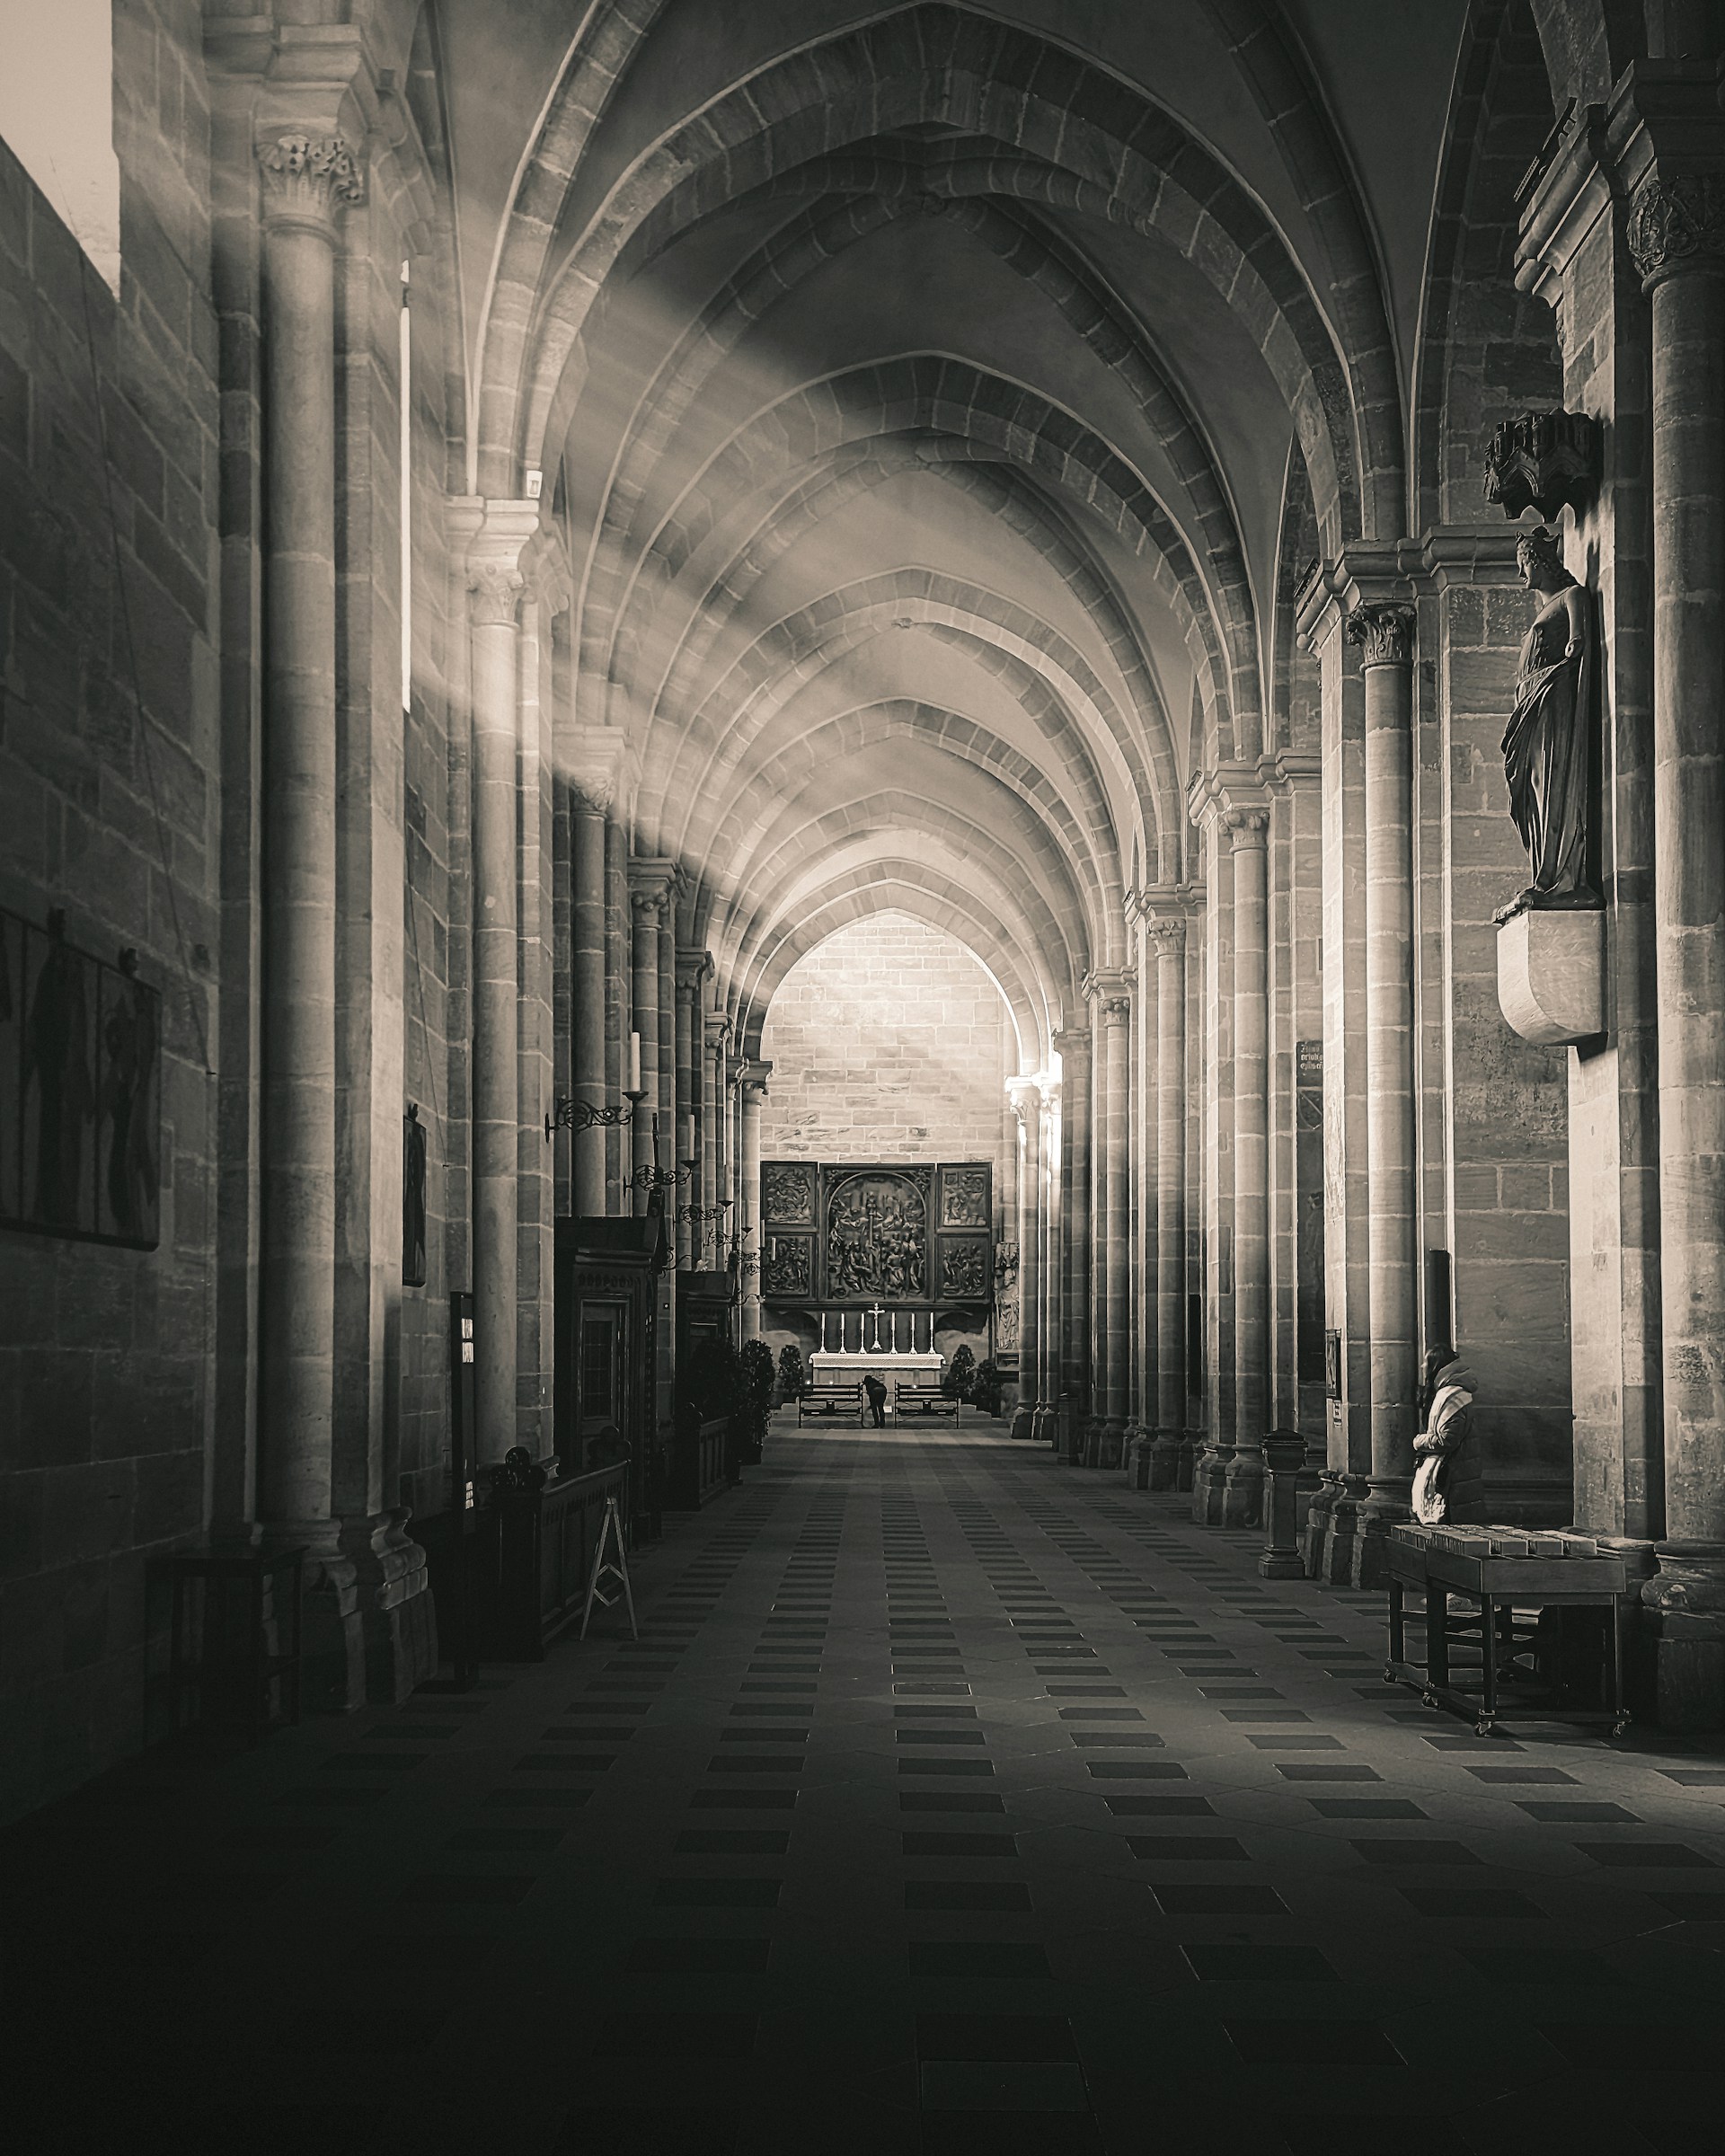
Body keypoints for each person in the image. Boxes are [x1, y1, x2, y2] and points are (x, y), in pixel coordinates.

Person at [1411, 1352, 1482, 1524]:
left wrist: (1419, 1441)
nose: (1422, 1366)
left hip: (1452, 1475)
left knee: (1450, 1527)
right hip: (1457, 1472)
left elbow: (1446, 1440)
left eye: (1426, 1362)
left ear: (1436, 1366)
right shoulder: (1452, 1392)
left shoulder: (1452, 1395)